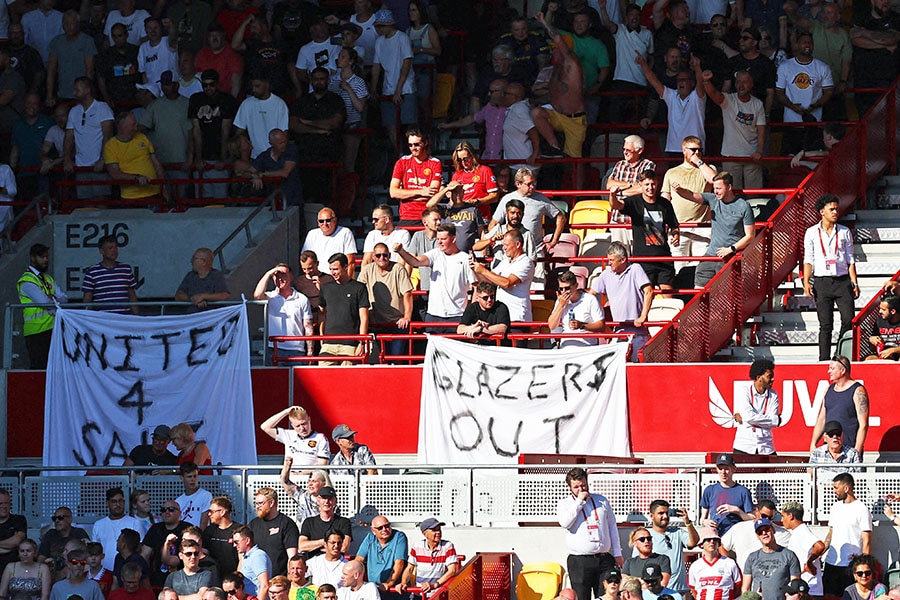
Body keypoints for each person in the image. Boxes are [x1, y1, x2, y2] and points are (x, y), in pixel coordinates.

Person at [672, 172, 755, 289]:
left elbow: (750, 236)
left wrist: (731, 249)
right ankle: (701, 307)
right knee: (700, 276)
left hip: (731, 255)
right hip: (711, 254)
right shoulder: (713, 199)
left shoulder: (743, 206)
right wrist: (679, 190)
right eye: (714, 188)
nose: (715, 191)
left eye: (719, 188)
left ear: (729, 187)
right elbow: (691, 195)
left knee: (725, 290)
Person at [803, 194, 859, 361]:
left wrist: (854, 281)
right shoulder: (812, 232)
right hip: (822, 282)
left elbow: (850, 259)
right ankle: (823, 359)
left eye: (836, 209)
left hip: (842, 280)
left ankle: (840, 355)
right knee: (825, 325)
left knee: (848, 320)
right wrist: (806, 281)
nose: (835, 212)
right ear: (822, 211)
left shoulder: (844, 231)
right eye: (831, 209)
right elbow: (808, 259)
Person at [609, 169, 680, 294]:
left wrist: (676, 235)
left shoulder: (665, 204)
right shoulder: (634, 201)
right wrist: (613, 195)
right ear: (640, 185)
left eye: (653, 184)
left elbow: (674, 226)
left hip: (664, 258)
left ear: (657, 183)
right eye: (647, 184)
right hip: (643, 260)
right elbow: (616, 206)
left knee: (668, 295)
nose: (650, 188)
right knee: (645, 298)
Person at [557, 467, 622, 600]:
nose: (581, 489)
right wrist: (579, 502)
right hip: (580, 560)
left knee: (606, 595)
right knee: (582, 596)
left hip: (603, 558)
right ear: (569, 487)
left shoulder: (601, 500)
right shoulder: (565, 504)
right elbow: (565, 523)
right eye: (576, 487)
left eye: (583, 485)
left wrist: (617, 552)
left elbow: (612, 526)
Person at [530, 11, 585, 160]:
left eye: (555, 48)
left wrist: (544, 22)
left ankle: (579, 184)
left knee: (575, 161)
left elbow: (558, 38)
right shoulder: (554, 67)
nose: (552, 51)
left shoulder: (571, 63)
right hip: (557, 115)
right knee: (536, 113)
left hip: (574, 119)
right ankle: (554, 146)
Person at [394, 224, 476, 325]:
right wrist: (401, 251)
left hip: (457, 315)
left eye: (443, 239)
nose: (439, 242)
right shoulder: (435, 254)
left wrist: (471, 313)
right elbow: (415, 262)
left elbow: (476, 286)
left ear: (453, 239)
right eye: (438, 239)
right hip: (433, 315)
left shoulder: (465, 258)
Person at [589, 241, 654, 362]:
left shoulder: (635, 269)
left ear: (623, 260)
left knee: (635, 369)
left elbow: (649, 291)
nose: (609, 263)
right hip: (618, 332)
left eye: (612, 260)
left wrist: (643, 316)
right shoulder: (606, 274)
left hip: (637, 333)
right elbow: (590, 296)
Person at [701, 70, 766, 190]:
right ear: (735, 85)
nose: (741, 85)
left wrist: (760, 151)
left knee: (754, 195)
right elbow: (714, 94)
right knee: (731, 193)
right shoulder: (728, 100)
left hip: (752, 156)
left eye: (745, 82)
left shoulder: (758, 104)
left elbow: (761, 130)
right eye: (738, 82)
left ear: (751, 84)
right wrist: (706, 81)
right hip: (730, 155)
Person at [489, 167, 567, 262]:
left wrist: (553, 242)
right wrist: (498, 241)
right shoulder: (507, 199)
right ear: (518, 184)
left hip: (535, 249)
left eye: (533, 183)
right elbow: (493, 224)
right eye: (529, 184)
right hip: (512, 251)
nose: (532, 186)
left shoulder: (541, 199)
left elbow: (560, 217)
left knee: (538, 277)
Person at [636, 52, 706, 154]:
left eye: (684, 80)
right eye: (678, 80)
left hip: (695, 150)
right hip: (674, 149)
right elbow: (654, 81)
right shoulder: (672, 96)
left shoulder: (697, 97)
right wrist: (643, 64)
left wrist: (697, 67)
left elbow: (700, 82)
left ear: (691, 83)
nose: (680, 82)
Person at [775, 33, 833, 155]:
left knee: (812, 159)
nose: (807, 45)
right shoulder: (785, 67)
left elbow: (828, 92)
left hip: (814, 122)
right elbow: (779, 92)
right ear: (797, 45)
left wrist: (815, 105)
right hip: (791, 123)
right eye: (804, 42)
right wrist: (792, 107)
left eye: (810, 42)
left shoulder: (823, 67)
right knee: (789, 159)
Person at [16, 243, 68, 369]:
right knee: (40, 367)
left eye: (47, 257)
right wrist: (53, 299)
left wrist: (52, 299)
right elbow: (44, 302)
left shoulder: (47, 277)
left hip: (53, 329)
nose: (46, 260)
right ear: (32, 258)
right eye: (42, 257)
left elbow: (65, 299)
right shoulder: (27, 281)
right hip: (36, 331)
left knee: (55, 368)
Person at [189, 69, 238, 200]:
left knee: (221, 199)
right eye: (205, 85)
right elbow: (196, 130)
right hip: (203, 157)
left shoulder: (227, 100)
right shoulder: (195, 99)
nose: (208, 88)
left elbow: (225, 130)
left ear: (217, 84)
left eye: (211, 84)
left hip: (220, 156)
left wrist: (222, 158)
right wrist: (198, 158)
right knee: (203, 200)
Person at [358, 242, 412, 359]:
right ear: (373, 257)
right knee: (380, 359)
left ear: (390, 255)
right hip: (375, 324)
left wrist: (407, 316)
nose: (382, 258)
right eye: (378, 255)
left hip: (396, 323)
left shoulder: (398, 269)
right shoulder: (367, 270)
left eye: (385, 255)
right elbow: (358, 292)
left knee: (396, 358)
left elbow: (407, 294)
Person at [63, 77, 113, 201]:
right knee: (85, 205)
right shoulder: (74, 111)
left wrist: (103, 159)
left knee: (101, 202)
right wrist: (67, 159)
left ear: (88, 90)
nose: (74, 93)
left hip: (98, 165)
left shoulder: (102, 108)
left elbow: (108, 136)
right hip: (81, 167)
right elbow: (68, 138)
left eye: (77, 89)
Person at [370, 8, 414, 149]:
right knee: (390, 126)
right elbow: (376, 66)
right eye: (378, 26)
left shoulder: (402, 37)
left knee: (409, 127)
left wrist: (399, 89)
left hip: (406, 88)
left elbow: (406, 64)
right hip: (387, 88)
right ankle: (399, 156)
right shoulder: (379, 42)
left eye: (383, 25)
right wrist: (373, 89)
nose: (380, 29)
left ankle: (411, 158)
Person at [470, 229, 534, 326]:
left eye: (506, 245)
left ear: (517, 244)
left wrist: (483, 270)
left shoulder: (526, 262)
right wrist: (476, 270)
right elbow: (488, 282)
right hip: (501, 317)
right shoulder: (505, 262)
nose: (504, 248)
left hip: (517, 318)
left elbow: (507, 283)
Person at [822, 473, 872, 597]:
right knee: (828, 597)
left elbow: (866, 540)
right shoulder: (835, 507)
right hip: (831, 562)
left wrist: (863, 564)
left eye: (836, 487)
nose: (834, 491)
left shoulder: (862, 509)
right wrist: (821, 551)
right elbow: (831, 533)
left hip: (850, 564)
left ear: (846, 488)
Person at [253, 262, 314, 364]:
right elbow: (257, 296)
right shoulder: (270, 297)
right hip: (274, 349)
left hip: (297, 350)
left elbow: (308, 326)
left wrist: (310, 351)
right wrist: (268, 273)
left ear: (291, 277)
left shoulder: (302, 299)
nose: (280, 279)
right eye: (276, 276)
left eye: (284, 275)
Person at [809, 355, 869, 456]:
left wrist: (856, 452)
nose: (829, 371)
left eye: (832, 368)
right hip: (829, 452)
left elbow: (863, 425)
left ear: (842, 370)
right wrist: (813, 444)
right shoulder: (828, 390)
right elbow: (821, 419)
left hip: (849, 450)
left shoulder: (858, 391)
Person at [849, 0, 900, 117]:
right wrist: (884, 45)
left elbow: (891, 39)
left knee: (890, 121)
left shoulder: (896, 18)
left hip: (890, 80)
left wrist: (863, 32)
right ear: (872, 1)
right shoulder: (861, 17)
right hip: (864, 81)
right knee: (865, 120)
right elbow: (856, 40)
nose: (886, 2)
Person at [103, 110, 166, 202]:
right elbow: (115, 173)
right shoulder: (111, 146)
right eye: (133, 124)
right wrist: (136, 178)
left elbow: (156, 163)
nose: (136, 127)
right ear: (122, 126)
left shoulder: (142, 137)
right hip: (131, 197)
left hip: (155, 192)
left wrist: (163, 187)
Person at [318, 253, 369, 365]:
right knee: (322, 377)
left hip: (350, 344)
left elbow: (364, 317)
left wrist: (362, 343)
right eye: (331, 269)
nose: (333, 272)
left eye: (336, 269)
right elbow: (321, 313)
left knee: (348, 379)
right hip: (328, 344)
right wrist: (322, 337)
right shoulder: (325, 288)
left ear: (346, 267)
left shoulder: (359, 287)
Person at [438, 79, 507, 161]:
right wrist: (448, 125)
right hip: (487, 157)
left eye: (492, 92)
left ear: (502, 93)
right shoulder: (488, 108)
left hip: (504, 159)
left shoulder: (512, 110)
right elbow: (471, 119)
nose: (489, 94)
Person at [720, 501, 791, 579]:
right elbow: (721, 546)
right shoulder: (739, 528)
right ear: (756, 511)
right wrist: (731, 567)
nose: (767, 519)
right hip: (744, 578)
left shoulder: (783, 534)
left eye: (770, 518)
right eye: (764, 516)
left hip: (771, 580)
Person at [389, 127, 442, 224]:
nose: (413, 148)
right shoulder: (402, 162)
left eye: (417, 144)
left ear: (425, 143)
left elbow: (432, 194)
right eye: (410, 145)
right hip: (406, 216)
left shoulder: (435, 163)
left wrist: (404, 195)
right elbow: (393, 192)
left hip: (427, 216)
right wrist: (421, 192)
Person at [644, 501, 698, 596]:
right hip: (656, 592)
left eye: (667, 513)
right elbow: (638, 562)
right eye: (661, 513)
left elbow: (693, 542)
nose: (665, 516)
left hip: (680, 590)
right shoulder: (645, 536)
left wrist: (687, 522)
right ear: (652, 516)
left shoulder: (677, 532)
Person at [741, 518, 800, 600]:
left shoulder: (789, 555)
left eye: (766, 529)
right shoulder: (752, 557)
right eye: (760, 532)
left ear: (773, 530)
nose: (764, 533)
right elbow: (745, 589)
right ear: (757, 536)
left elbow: (795, 586)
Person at [234, 72, 288, 161]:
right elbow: (239, 131)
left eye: (257, 86)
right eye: (252, 86)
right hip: (253, 157)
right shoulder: (246, 104)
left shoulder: (279, 104)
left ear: (266, 84)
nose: (253, 89)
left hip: (274, 157)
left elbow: (284, 133)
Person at [81, 234, 140, 315]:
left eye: (115, 247)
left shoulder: (126, 269)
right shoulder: (92, 272)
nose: (114, 251)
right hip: (102, 320)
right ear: (102, 251)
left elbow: (132, 296)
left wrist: (138, 319)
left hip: (123, 318)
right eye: (110, 248)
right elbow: (87, 300)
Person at [46, 12, 96, 105]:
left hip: (82, 94)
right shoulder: (56, 42)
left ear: (78, 24)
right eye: (66, 23)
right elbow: (51, 70)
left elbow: (90, 70)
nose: (69, 27)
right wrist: (49, 95)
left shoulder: (87, 41)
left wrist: (88, 94)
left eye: (72, 23)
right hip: (63, 92)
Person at [732, 359, 781, 455]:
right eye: (769, 376)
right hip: (744, 446)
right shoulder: (744, 391)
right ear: (759, 377)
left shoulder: (773, 395)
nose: (772, 379)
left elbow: (774, 422)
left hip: (766, 447)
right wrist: (772, 420)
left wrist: (748, 420)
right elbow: (749, 417)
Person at [779, 502, 826, 598]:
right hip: (805, 588)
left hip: (809, 589)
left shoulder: (802, 532)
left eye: (783, 516)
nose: (781, 520)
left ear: (791, 516)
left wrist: (809, 562)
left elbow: (820, 546)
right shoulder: (798, 532)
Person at [249, 488, 298, 578]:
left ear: (271, 503)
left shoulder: (286, 523)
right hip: (256, 580)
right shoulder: (253, 524)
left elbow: (292, 557)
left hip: (278, 580)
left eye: (260, 503)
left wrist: (289, 579)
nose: (257, 507)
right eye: (256, 504)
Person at [699, 454, 754, 535]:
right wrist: (705, 522)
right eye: (720, 469)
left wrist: (737, 510)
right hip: (715, 535)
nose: (723, 472)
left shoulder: (743, 491)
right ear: (716, 469)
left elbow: (752, 518)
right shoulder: (709, 490)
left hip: (736, 534)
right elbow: (702, 519)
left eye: (726, 469)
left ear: (733, 469)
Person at [400, 518, 459, 594]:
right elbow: (409, 568)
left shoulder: (447, 546)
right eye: (434, 530)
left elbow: (452, 570)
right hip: (419, 594)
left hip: (438, 594)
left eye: (439, 529)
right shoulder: (417, 546)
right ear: (424, 533)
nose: (438, 532)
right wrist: (403, 583)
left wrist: (434, 585)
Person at [549, 270, 606, 347]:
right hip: (566, 347)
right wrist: (561, 305)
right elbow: (552, 326)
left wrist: (582, 325)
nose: (564, 292)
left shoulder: (590, 299)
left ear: (576, 286)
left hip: (586, 347)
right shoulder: (560, 301)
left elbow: (601, 325)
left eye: (567, 288)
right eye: (561, 289)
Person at [139, 500, 189, 588]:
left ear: (179, 513)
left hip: (183, 580)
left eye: (171, 509)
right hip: (159, 581)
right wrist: (143, 577)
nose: (167, 512)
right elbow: (144, 555)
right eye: (163, 510)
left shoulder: (187, 529)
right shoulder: (155, 529)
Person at [262, 407, 330, 469]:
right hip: (289, 476)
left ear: (309, 420)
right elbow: (265, 427)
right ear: (292, 425)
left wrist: (302, 474)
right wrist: (286, 412)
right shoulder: (288, 435)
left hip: (310, 478)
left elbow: (322, 465)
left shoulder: (320, 438)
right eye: (297, 426)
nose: (302, 428)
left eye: (304, 424)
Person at [92, 489, 142, 573]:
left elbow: (139, 548)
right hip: (103, 573)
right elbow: (94, 551)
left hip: (127, 574)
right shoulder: (98, 525)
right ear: (107, 503)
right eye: (114, 501)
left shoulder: (135, 522)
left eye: (120, 501)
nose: (118, 504)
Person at [353, 515, 407, 592]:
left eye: (387, 526)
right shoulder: (370, 537)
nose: (384, 529)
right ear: (373, 531)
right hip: (373, 588)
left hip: (393, 590)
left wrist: (389, 583)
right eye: (380, 528)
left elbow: (399, 563)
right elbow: (359, 560)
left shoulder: (399, 537)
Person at [687, 527, 740, 600]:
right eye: (708, 540)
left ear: (719, 543)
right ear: (701, 544)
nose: (712, 542)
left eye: (715, 540)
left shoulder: (730, 563)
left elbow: (738, 587)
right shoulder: (695, 566)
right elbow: (693, 589)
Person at [301, 209, 356, 279]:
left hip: (337, 280)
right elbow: (305, 259)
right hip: (316, 278)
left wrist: (347, 284)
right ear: (318, 222)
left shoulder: (345, 232)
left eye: (328, 220)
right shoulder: (312, 234)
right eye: (321, 221)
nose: (325, 224)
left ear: (335, 220)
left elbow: (350, 262)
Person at [298, 487, 352, 559]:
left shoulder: (344, 522)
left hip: (335, 562)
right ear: (318, 500)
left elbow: (344, 548)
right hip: (313, 563)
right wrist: (327, 542)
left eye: (330, 499)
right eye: (323, 498)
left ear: (335, 501)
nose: (326, 501)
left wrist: (315, 546)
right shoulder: (309, 522)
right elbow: (302, 546)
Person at [194, 23, 243, 98]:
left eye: (217, 35)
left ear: (223, 36)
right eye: (211, 36)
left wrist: (231, 103)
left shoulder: (232, 56)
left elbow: (236, 83)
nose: (214, 38)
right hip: (204, 96)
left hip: (223, 98)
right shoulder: (202, 53)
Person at [174, 247, 231, 311]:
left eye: (194, 258)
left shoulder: (216, 276)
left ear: (204, 262)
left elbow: (225, 295)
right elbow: (178, 296)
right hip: (193, 316)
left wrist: (203, 296)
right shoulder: (190, 276)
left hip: (211, 316)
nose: (191, 261)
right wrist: (193, 299)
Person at [501, 82, 540, 172]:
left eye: (505, 94)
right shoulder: (514, 109)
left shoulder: (519, 109)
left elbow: (532, 130)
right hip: (517, 164)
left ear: (515, 97)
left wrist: (535, 154)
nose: (503, 96)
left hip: (524, 166)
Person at [38, 507, 88, 573]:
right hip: (52, 573)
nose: (57, 521)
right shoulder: (50, 534)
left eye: (60, 517)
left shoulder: (79, 533)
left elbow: (88, 555)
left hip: (74, 571)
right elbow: (42, 556)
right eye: (54, 518)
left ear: (70, 519)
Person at [281, 466, 329, 530]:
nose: (310, 484)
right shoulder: (302, 496)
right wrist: (288, 465)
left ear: (323, 484)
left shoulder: (330, 502)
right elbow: (285, 481)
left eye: (314, 481)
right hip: (302, 536)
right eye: (309, 481)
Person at [202, 497, 240, 578]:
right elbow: (204, 553)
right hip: (212, 577)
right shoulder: (209, 531)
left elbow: (243, 558)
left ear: (222, 512)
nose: (209, 514)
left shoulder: (238, 530)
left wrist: (237, 577)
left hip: (232, 578)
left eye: (212, 512)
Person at [232, 528, 270, 600]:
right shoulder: (246, 557)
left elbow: (264, 586)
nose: (234, 545)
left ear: (247, 541)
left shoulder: (257, 555)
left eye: (237, 542)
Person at [174, 463, 211, 530]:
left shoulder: (206, 495)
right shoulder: (178, 501)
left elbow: (204, 522)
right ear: (182, 478)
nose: (193, 479)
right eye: (189, 476)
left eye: (195, 476)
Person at [867, 295, 900, 360]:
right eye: (880, 308)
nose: (880, 311)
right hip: (883, 355)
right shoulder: (879, 321)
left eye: (883, 310)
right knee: (869, 359)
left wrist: (893, 350)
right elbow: (872, 348)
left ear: (893, 311)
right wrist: (872, 340)